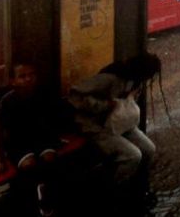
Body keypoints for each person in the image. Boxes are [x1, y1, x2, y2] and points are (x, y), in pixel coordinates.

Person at [68, 53, 164, 189]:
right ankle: (115, 186)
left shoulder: (134, 81)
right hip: (97, 126)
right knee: (132, 155)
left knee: (149, 149)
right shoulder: (109, 78)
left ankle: (136, 180)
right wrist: (105, 105)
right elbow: (75, 96)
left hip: (120, 124)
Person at [0, 63, 70, 216]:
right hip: (19, 142)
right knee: (28, 165)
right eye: (22, 76)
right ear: (12, 81)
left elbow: (53, 118)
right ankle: (26, 199)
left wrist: (57, 137)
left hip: (42, 138)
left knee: (49, 158)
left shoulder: (43, 94)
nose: (28, 79)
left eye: (31, 74)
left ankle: (46, 191)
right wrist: (1, 160)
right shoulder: (6, 103)